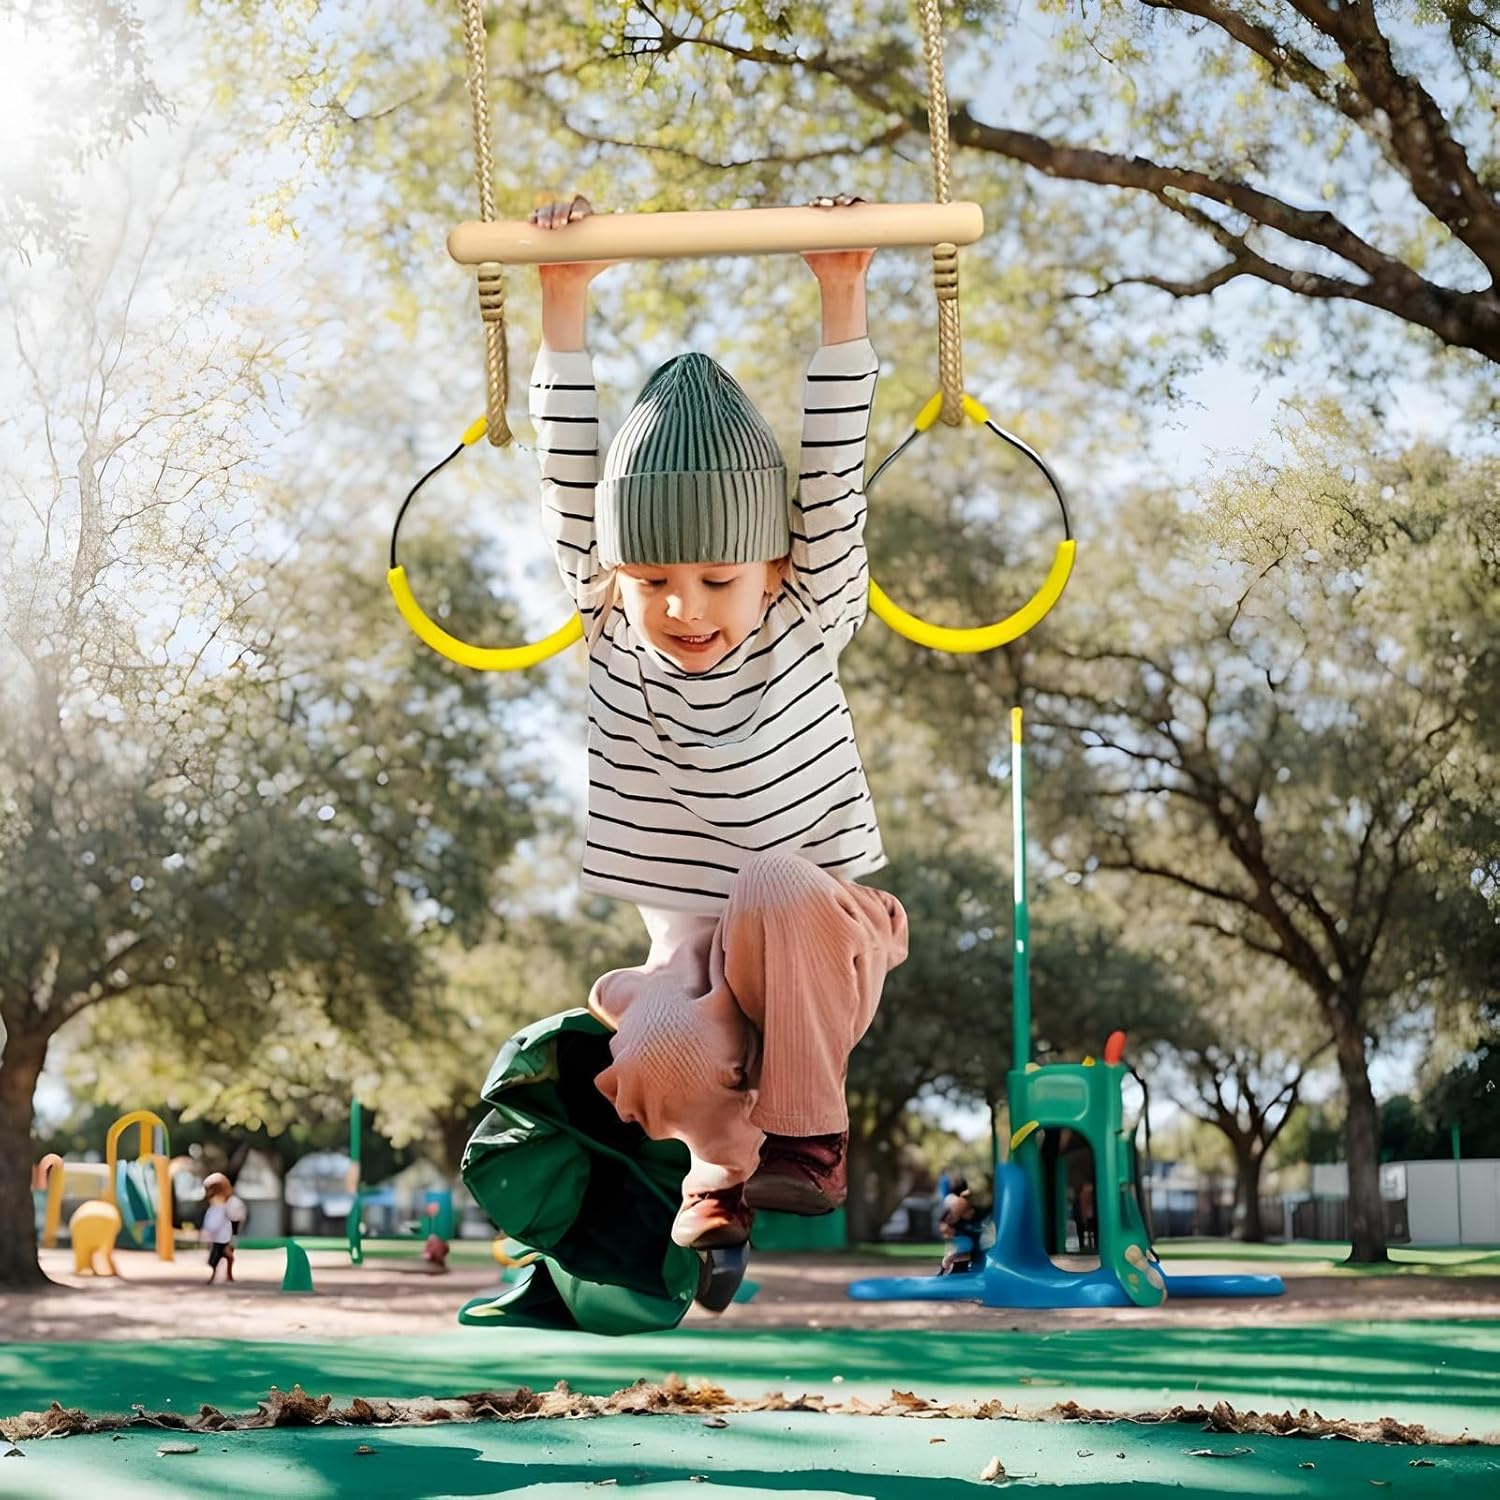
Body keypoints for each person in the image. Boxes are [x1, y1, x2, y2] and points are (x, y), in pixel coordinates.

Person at [529, 193, 908, 1258]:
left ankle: (808, 1139)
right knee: (656, 1048)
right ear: (614, 574)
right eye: (652, 579)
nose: (683, 606)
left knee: (773, 880)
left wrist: (843, 288)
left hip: (819, 937)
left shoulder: (807, 611)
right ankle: (719, 1168)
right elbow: (568, 475)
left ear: (774, 569)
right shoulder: (607, 627)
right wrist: (563, 299)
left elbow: (830, 479)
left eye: (715, 578)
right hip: (692, 963)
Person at [200, 1171, 246, 1285]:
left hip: (225, 1235)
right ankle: (222, 1275)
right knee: (220, 1256)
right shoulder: (217, 1206)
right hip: (220, 1236)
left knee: (221, 1255)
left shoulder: (230, 1204)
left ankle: (226, 1275)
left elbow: (235, 1219)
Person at [937, 1174, 978, 1274]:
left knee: (962, 1247)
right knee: (960, 1247)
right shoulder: (953, 1201)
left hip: (962, 1230)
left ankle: (951, 1265)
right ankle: (948, 1266)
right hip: (959, 1231)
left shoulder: (958, 1201)